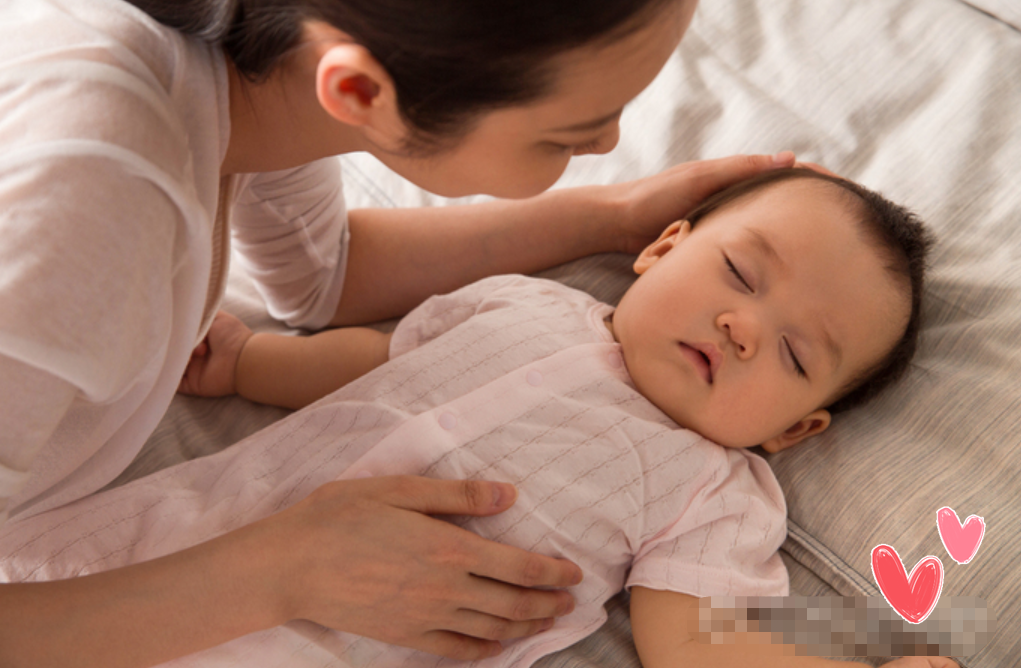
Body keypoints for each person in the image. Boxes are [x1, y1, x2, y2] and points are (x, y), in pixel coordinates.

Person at [0, 0, 812, 664]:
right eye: (570, 132)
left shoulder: (260, 63)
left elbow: (325, 274)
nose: (606, 143)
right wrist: (279, 573)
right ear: (360, 95)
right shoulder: (84, 204)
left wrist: (615, 215)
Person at [1, 169, 953, 668]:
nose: (744, 327)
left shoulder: (713, 488)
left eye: (793, 356)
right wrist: (255, 360)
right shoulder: (522, 304)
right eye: (740, 276)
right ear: (661, 250)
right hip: (188, 547)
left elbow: (701, 640)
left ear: (791, 431)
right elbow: (385, 359)